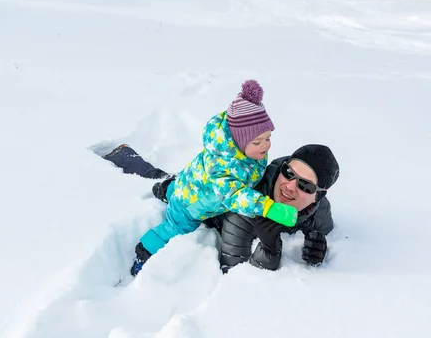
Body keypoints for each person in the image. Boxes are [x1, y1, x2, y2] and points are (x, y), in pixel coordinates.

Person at [126, 80, 299, 276]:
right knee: (175, 227)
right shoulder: (222, 166)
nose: (265, 146)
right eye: (258, 142)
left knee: (178, 188)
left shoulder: (249, 152)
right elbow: (235, 195)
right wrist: (267, 207)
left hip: (192, 184)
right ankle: (144, 251)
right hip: (191, 205)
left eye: (268, 138)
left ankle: (165, 189)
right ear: (239, 143)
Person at [104, 143, 340, 274]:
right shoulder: (248, 202)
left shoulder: (320, 211)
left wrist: (319, 249)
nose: (289, 186)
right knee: (171, 187)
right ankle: (126, 159)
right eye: (288, 173)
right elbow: (233, 266)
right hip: (207, 202)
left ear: (320, 195)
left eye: (305, 185)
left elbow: (323, 229)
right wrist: (269, 248)